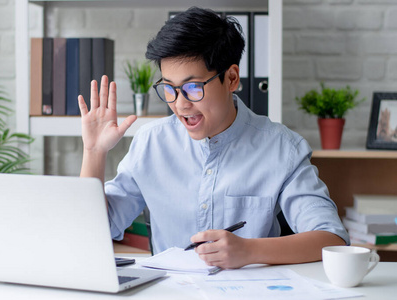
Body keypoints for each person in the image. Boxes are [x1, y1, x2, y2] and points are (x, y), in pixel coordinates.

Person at [78, 7, 348, 270]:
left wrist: (248, 250)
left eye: (193, 88)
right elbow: (95, 229)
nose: (180, 104)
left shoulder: (282, 148)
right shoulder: (151, 143)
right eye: (169, 88)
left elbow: (332, 239)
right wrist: (93, 151)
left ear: (231, 78)